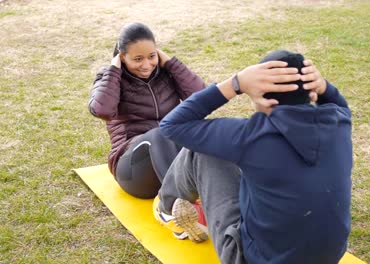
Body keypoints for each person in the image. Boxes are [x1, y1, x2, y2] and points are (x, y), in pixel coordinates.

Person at [154, 50, 353, 264]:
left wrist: (236, 83)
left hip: (252, 259)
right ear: (312, 89)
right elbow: (340, 104)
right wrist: (323, 87)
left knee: (201, 150)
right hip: (328, 259)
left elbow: (172, 125)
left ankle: (166, 209)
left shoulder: (250, 135)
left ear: (260, 94)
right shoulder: (339, 123)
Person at [88, 22, 205, 200]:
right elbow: (102, 110)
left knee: (204, 130)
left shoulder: (166, 72)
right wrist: (114, 70)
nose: (146, 64)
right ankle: (173, 203)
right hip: (134, 172)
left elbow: (202, 98)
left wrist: (172, 64)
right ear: (122, 57)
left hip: (174, 164)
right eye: (137, 59)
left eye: (152, 56)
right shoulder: (110, 77)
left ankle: (213, 195)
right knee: (159, 134)